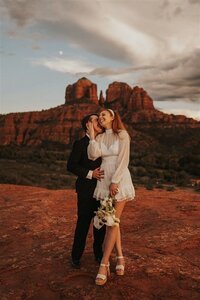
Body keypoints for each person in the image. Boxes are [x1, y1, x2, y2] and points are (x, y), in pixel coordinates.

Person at [87, 108, 135, 285]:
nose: (100, 117)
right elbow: (93, 155)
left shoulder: (122, 135)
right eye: (99, 116)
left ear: (112, 117)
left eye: (103, 115)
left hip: (119, 179)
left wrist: (115, 181)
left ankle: (104, 263)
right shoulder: (99, 137)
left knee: (111, 222)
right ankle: (120, 256)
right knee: (113, 221)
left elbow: (124, 159)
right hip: (104, 180)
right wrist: (92, 135)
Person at [67, 114, 106, 269]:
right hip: (85, 191)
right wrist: (91, 174)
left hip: (102, 191)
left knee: (100, 224)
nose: (100, 121)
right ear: (88, 124)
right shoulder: (80, 144)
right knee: (83, 223)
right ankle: (76, 256)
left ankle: (98, 254)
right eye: (96, 120)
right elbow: (71, 166)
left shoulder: (104, 142)